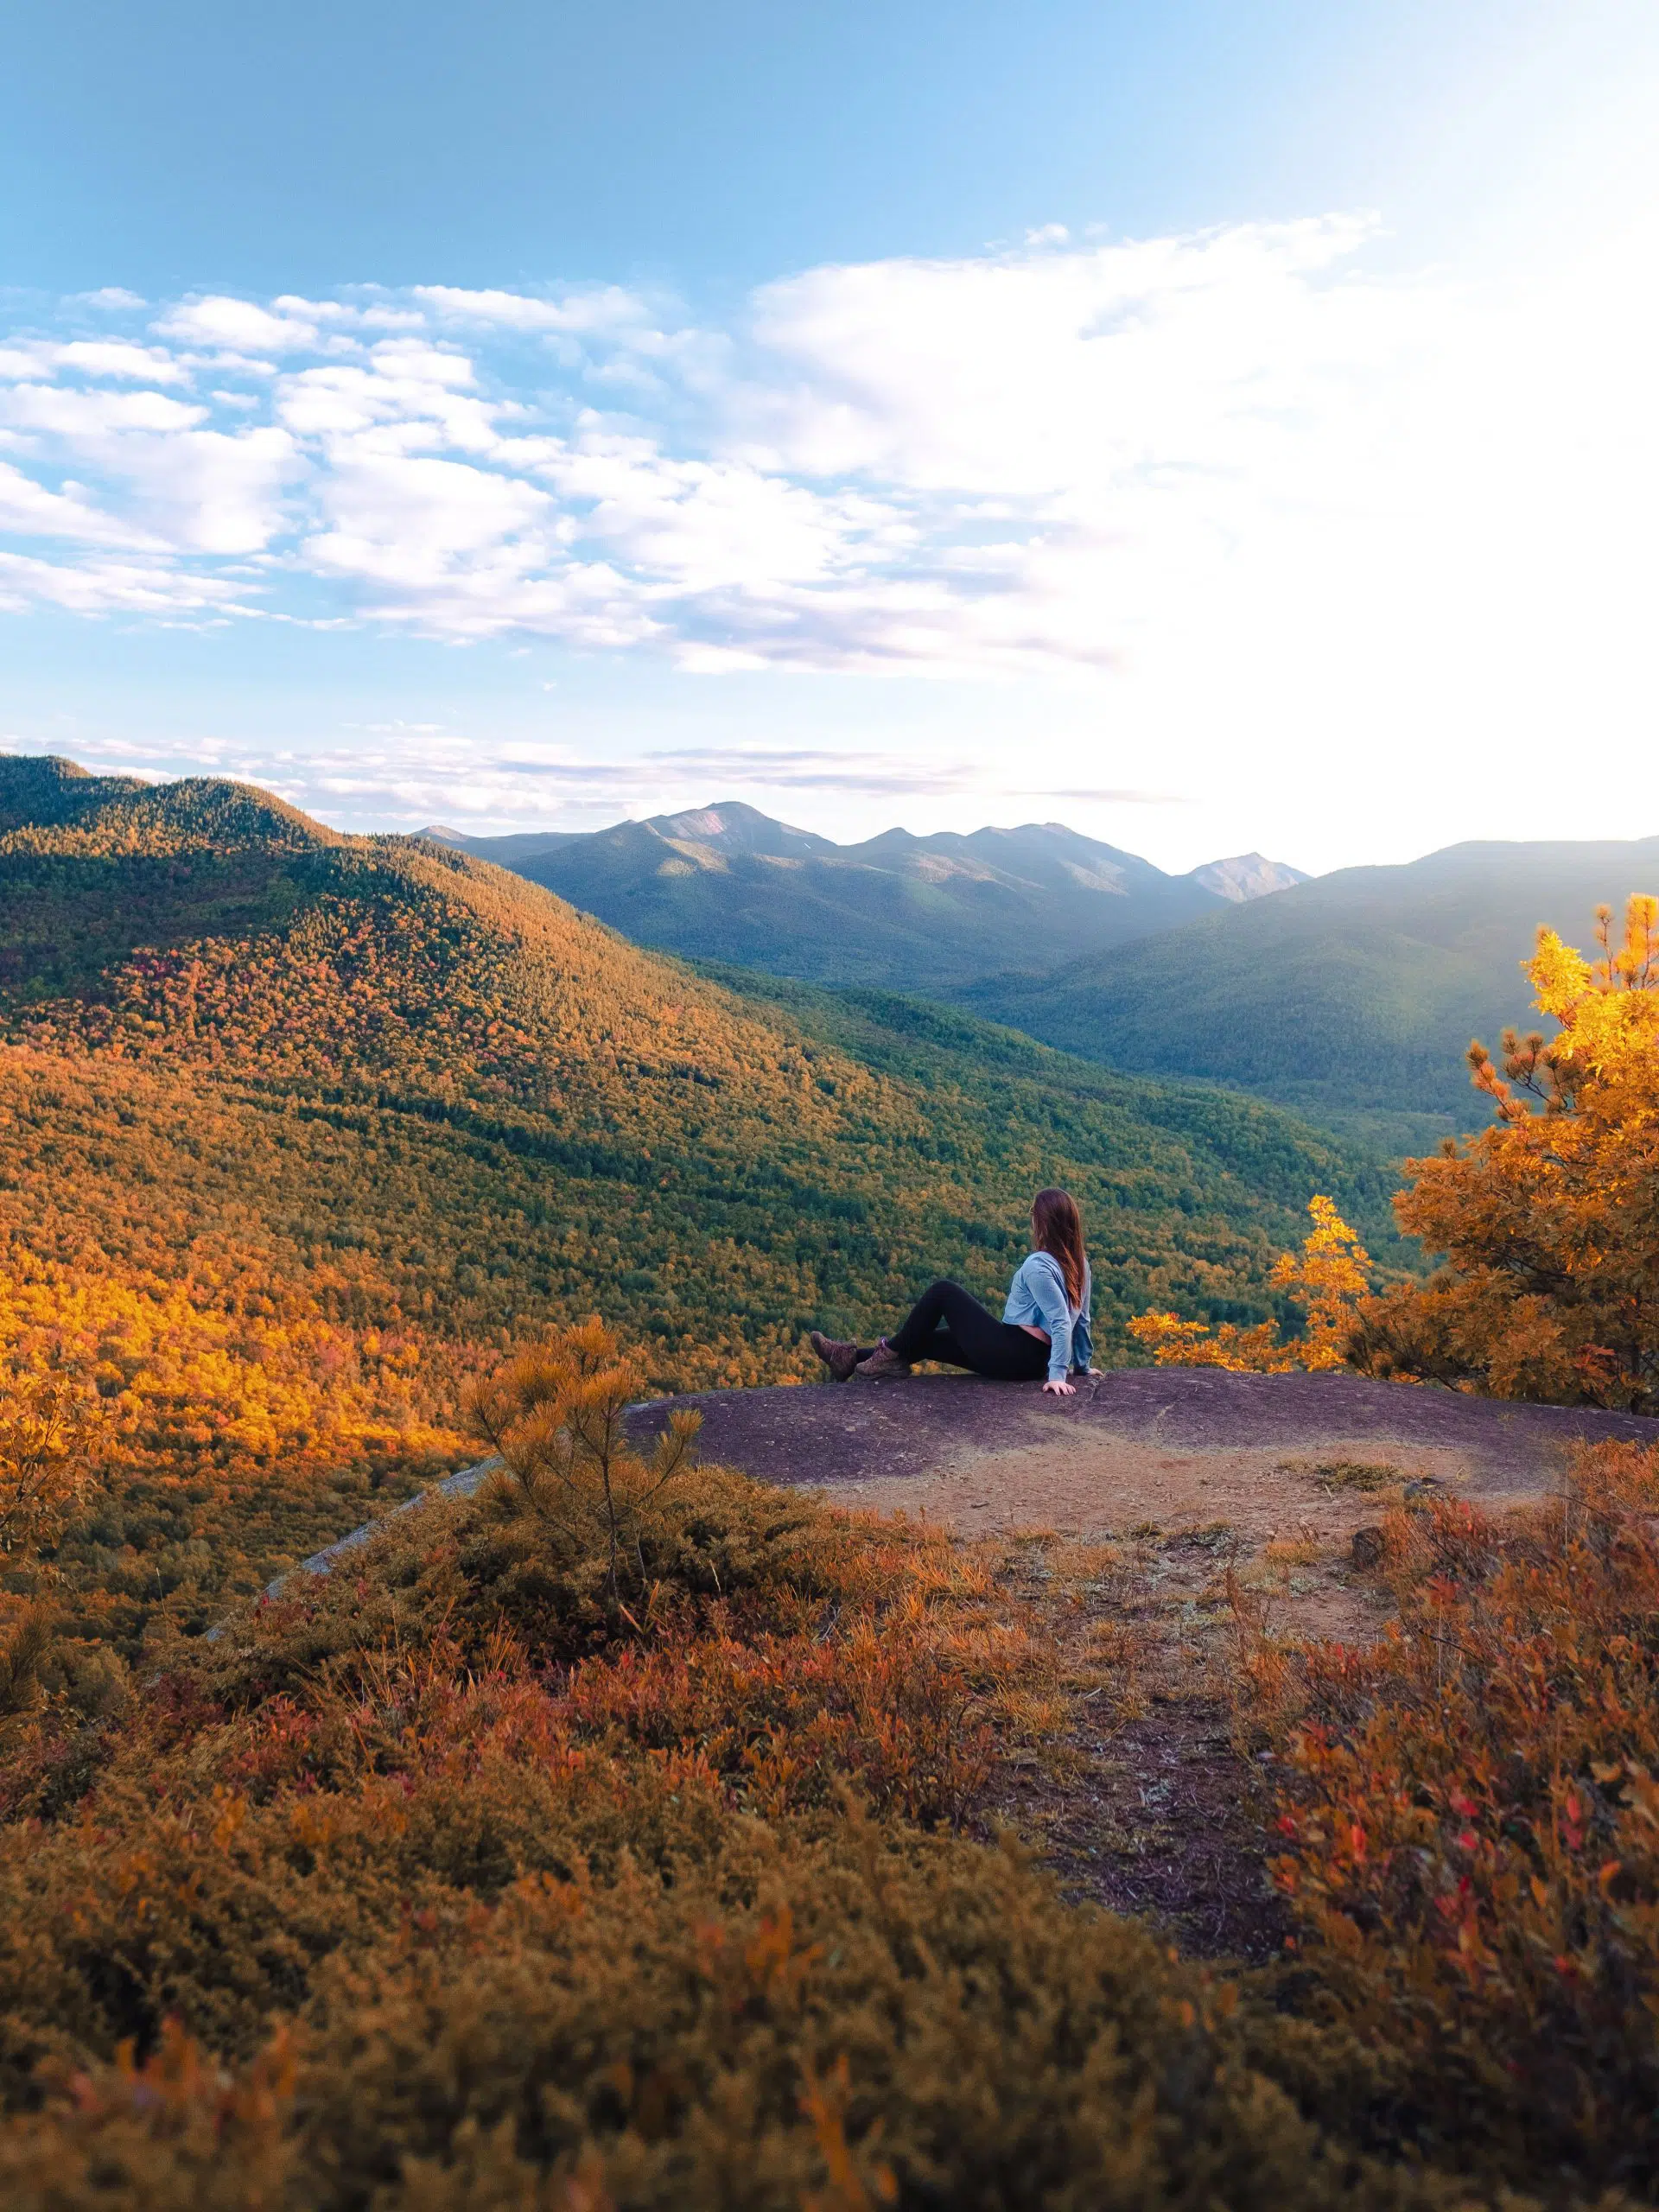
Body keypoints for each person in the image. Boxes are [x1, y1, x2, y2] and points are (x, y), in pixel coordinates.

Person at [810, 1187, 1095, 1396]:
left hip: (1014, 1353)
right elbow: (1082, 1320)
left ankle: (887, 1353)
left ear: (1042, 1222)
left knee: (943, 1292)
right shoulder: (1081, 1264)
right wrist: (1081, 1366)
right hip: (1026, 1358)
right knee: (925, 1339)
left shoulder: (1038, 1266)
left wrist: (1058, 1374)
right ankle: (848, 1359)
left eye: (1034, 1215)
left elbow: (1062, 1322)